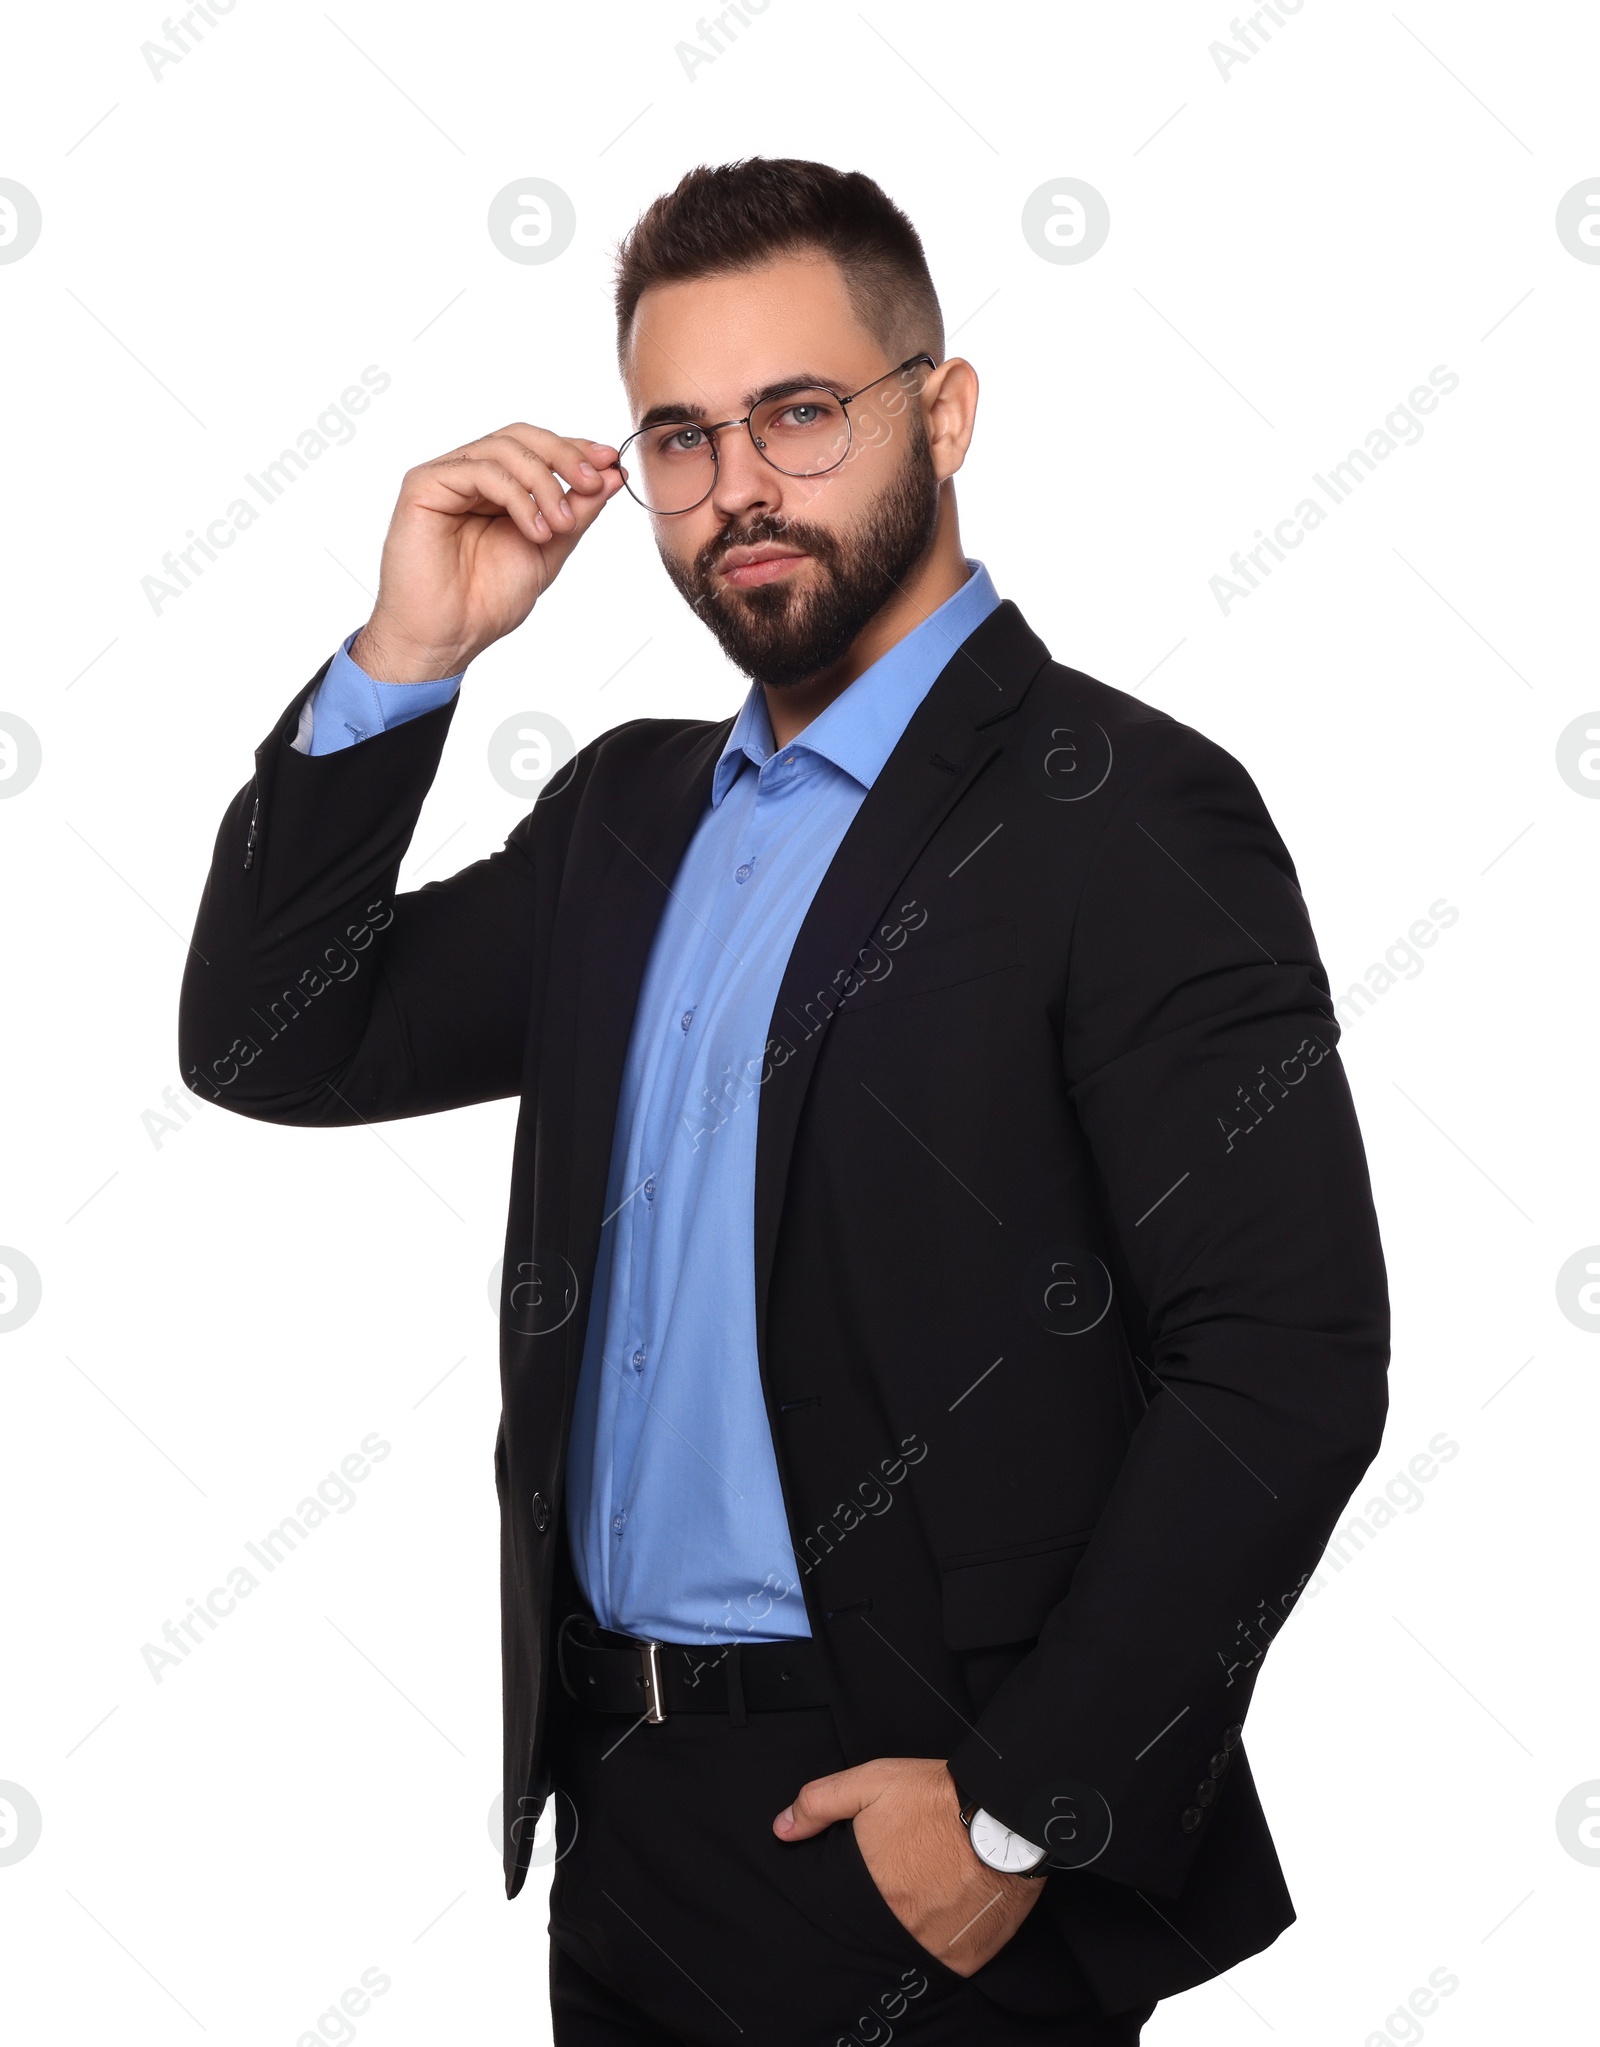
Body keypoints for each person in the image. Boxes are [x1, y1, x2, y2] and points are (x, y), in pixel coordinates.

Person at [179, 158, 1390, 2045]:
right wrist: (412, 654)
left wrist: (1016, 1811)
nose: (740, 483)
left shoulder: (1121, 814)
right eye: (681, 433)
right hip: (628, 1812)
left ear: (946, 408)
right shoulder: (627, 821)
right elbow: (273, 1039)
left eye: (800, 413)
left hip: (919, 1840)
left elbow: (1287, 1357)